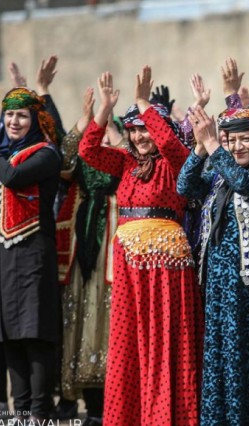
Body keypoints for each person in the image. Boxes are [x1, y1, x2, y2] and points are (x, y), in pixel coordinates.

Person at [78, 68, 203, 425]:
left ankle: (168, 415)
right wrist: (104, 109)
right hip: (130, 267)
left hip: (166, 267)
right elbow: (87, 150)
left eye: (143, 128)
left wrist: (146, 103)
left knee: (165, 342)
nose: (138, 135)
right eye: (132, 129)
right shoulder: (124, 162)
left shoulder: (177, 164)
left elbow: (169, 144)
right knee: (129, 344)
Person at [177, 105, 249, 425]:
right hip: (221, 282)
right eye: (230, 140)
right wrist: (202, 146)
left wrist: (216, 147)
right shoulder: (220, 171)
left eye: (244, 139)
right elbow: (184, 187)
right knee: (225, 356)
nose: (237, 147)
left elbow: (247, 184)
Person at [56, 88, 123, 426]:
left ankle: (106, 405)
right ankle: (81, 400)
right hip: (83, 240)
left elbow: (129, 155)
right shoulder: (83, 153)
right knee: (80, 314)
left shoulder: (122, 154)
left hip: (112, 242)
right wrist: (85, 120)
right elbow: (64, 161)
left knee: (109, 318)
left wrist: (111, 121)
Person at [0, 87, 62, 422]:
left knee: (34, 333)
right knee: (10, 336)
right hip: (6, 257)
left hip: (34, 253)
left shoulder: (46, 154)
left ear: (34, 120)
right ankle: (19, 413)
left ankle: (41, 413)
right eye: (9, 114)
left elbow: (13, 177)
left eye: (21, 115)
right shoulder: (5, 152)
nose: (14, 121)